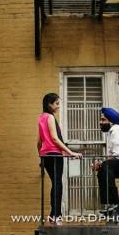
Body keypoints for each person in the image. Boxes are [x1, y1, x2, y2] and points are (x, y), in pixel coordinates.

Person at [37, 93, 82, 223]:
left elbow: (39, 142)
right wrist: (70, 152)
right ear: (49, 104)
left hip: (46, 155)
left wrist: (41, 158)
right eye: (56, 103)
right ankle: (56, 216)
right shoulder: (50, 117)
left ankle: (53, 214)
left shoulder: (41, 118)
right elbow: (55, 139)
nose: (58, 106)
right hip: (55, 155)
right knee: (58, 184)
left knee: (55, 183)